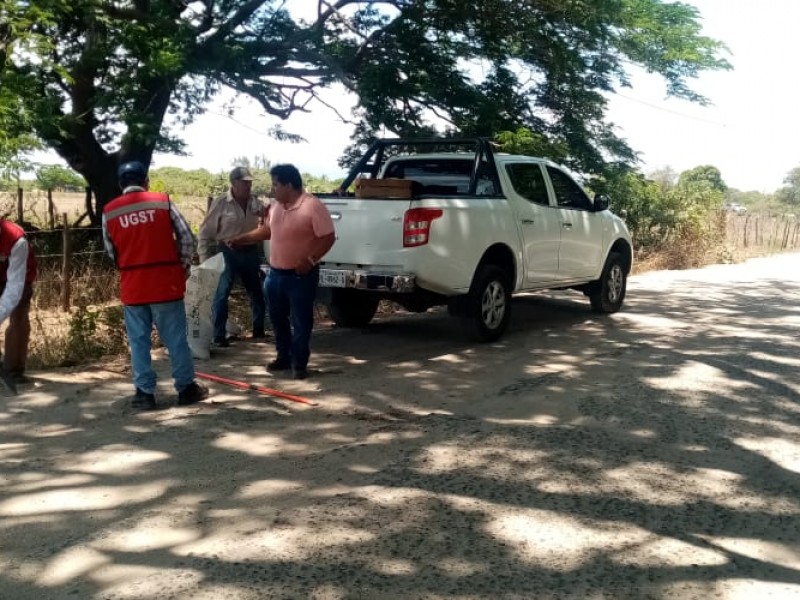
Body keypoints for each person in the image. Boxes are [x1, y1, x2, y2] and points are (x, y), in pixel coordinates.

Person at [102, 161, 210, 411]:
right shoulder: (162, 201)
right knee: (175, 340)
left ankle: (144, 394)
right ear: (146, 181)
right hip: (165, 284)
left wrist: (130, 266)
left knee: (138, 342)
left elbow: (111, 251)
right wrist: (181, 267)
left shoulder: (110, 211)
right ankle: (185, 389)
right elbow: (186, 237)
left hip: (133, 287)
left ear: (121, 185)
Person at [228, 164, 335, 380]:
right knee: (277, 318)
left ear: (288, 185)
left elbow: (328, 237)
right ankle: (283, 357)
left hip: (300, 277)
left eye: (275, 184)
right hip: (275, 274)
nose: (272, 189)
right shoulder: (276, 206)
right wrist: (243, 238)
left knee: (301, 321)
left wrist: (311, 260)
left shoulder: (312, 206)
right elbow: (269, 230)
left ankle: (299, 364)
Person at [197, 166, 267, 347]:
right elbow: (205, 232)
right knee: (222, 292)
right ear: (234, 183)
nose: (248, 186)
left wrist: (264, 214)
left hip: (250, 250)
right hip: (228, 251)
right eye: (244, 182)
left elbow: (270, 219)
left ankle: (259, 330)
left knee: (256, 291)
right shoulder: (221, 202)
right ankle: (219, 335)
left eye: (249, 183)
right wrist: (204, 259)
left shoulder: (256, 203)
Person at [0, 218, 37, 384]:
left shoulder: (17, 240)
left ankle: (13, 371)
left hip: (19, 277)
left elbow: (15, 287)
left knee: (19, 319)